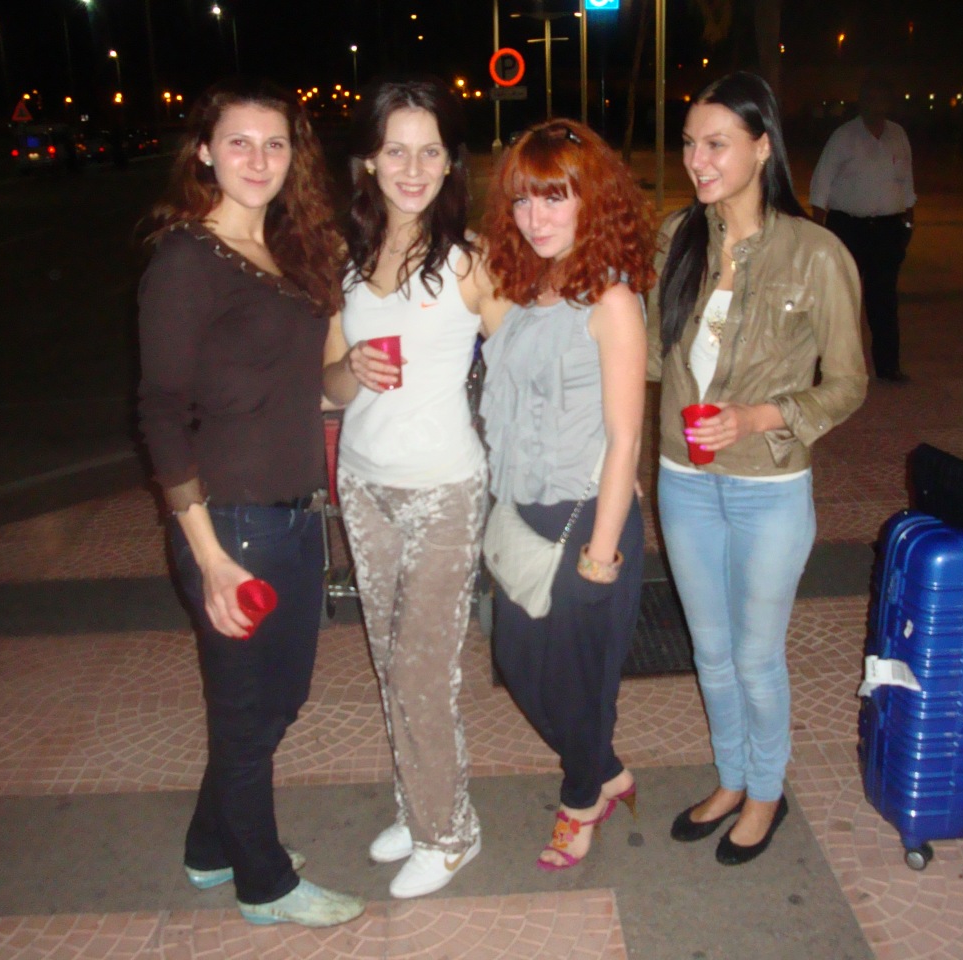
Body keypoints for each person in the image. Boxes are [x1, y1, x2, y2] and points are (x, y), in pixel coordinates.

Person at [137, 78, 364, 928]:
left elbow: (321, 389)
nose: (258, 159)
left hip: (295, 513)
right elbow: (160, 412)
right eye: (239, 141)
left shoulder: (291, 254)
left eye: (275, 144)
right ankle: (263, 882)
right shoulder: (185, 259)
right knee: (243, 714)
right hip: (229, 523)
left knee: (281, 699)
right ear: (205, 151)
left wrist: (355, 369)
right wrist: (207, 559)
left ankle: (211, 846)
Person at [648, 73, 866, 865]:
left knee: (754, 654)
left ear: (762, 147)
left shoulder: (816, 253)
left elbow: (848, 383)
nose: (697, 160)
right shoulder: (678, 237)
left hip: (768, 487)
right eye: (689, 144)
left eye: (716, 144)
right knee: (709, 651)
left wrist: (758, 417)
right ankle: (732, 777)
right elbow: (648, 356)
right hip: (683, 478)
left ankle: (767, 790)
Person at [321, 77, 507, 899]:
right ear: (368, 160)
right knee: (388, 660)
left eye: (429, 151)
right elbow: (329, 383)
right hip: (364, 485)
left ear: (450, 162)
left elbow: (517, 368)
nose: (412, 167)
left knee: (422, 672)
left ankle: (450, 833)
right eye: (395, 150)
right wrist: (351, 371)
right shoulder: (345, 260)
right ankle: (420, 801)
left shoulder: (471, 260)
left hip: (444, 489)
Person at [480, 118, 654, 871]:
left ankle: (582, 798)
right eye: (523, 199)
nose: (536, 216)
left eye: (555, 197)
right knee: (519, 663)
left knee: (581, 681)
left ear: (593, 199)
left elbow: (625, 436)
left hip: (589, 518)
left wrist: (602, 554)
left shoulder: (609, 299)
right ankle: (606, 769)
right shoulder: (531, 286)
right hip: (527, 511)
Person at [809, 73, 916, 383]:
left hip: (887, 229)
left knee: (884, 300)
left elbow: (907, 182)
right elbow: (821, 184)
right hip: (849, 228)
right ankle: (829, 368)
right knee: (840, 300)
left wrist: (908, 222)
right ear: (861, 101)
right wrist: (820, 231)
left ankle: (888, 366)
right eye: (871, 98)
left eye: (882, 98)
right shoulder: (844, 137)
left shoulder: (898, 135)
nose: (876, 104)